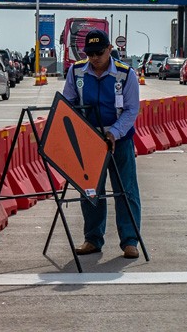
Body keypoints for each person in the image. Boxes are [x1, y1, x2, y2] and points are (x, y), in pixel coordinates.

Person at [61, 29, 142, 259]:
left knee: (126, 190)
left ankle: (130, 241)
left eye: (99, 52)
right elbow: (68, 103)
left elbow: (131, 110)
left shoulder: (126, 75)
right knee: (90, 191)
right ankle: (92, 239)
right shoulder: (76, 71)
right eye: (90, 54)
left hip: (119, 140)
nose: (95, 58)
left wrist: (113, 133)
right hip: (88, 141)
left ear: (109, 49)